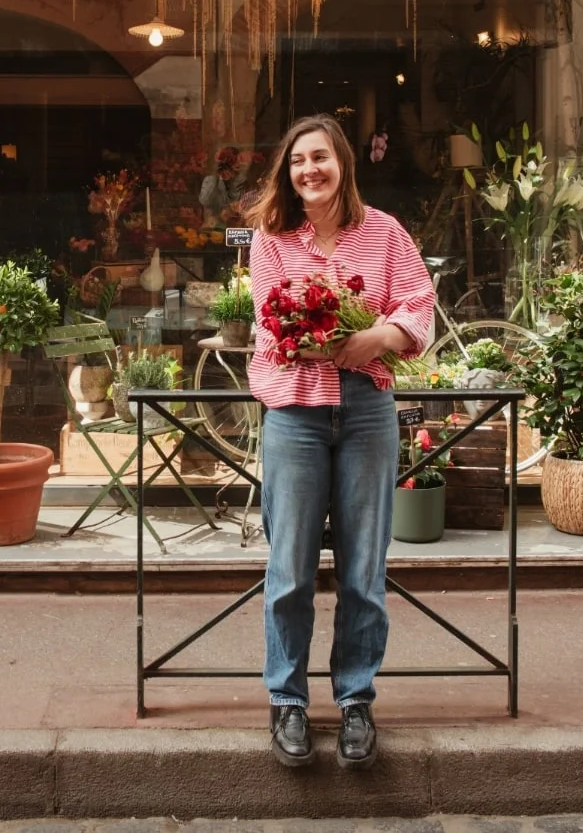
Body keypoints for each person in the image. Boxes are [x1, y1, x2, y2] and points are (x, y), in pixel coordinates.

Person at [245, 113, 434, 770]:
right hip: (295, 413)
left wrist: (377, 337)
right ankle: (288, 702)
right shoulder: (269, 240)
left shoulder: (384, 234)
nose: (310, 171)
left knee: (363, 570)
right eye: (298, 162)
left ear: (342, 163)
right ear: (287, 172)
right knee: (290, 569)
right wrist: (318, 339)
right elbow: (272, 326)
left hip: (365, 411)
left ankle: (355, 702)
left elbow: (418, 304)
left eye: (320, 158)